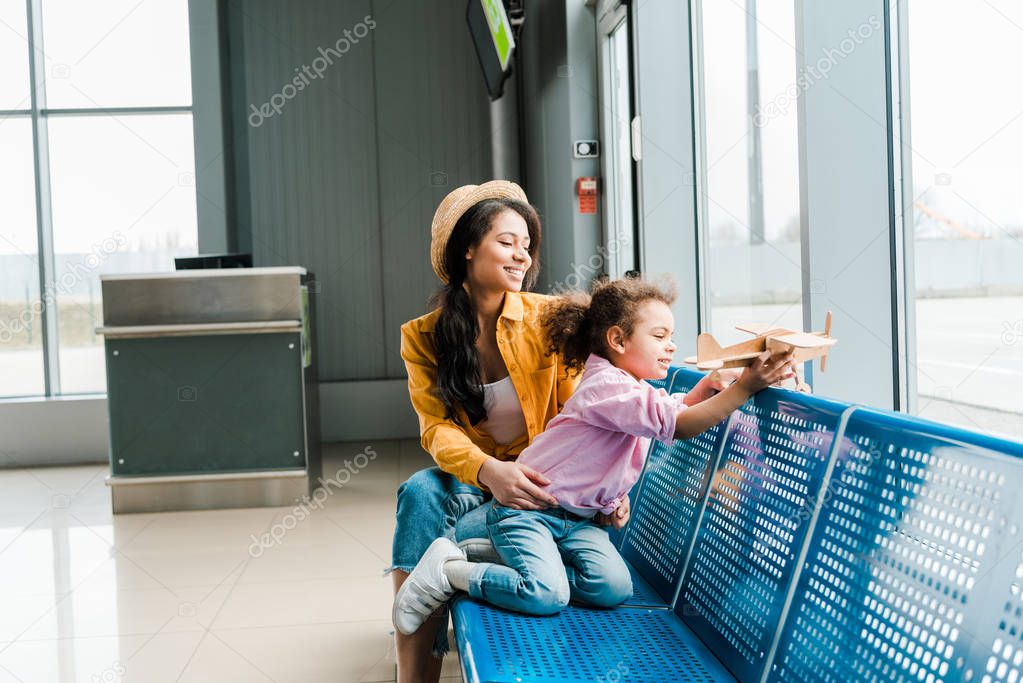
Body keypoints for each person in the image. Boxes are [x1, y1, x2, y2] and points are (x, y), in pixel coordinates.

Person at [391, 181, 746, 682]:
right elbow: (436, 429)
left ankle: (466, 566)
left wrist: (604, 485)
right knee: (422, 493)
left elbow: (595, 407)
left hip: (548, 481)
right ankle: (416, 663)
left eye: (527, 244)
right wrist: (492, 471)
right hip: (483, 478)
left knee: (601, 581)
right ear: (467, 247)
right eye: (507, 241)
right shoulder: (423, 335)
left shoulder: (548, 318)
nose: (522, 255)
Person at [393, 275, 795, 633]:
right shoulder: (607, 387)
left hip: (580, 520)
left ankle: (487, 554)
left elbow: (670, 410)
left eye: (671, 336)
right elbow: (680, 424)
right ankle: (451, 571)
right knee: (546, 596)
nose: (671, 346)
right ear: (618, 340)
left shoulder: (629, 386)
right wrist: (743, 388)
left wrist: (705, 389)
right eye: (659, 336)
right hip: (531, 512)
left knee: (612, 588)